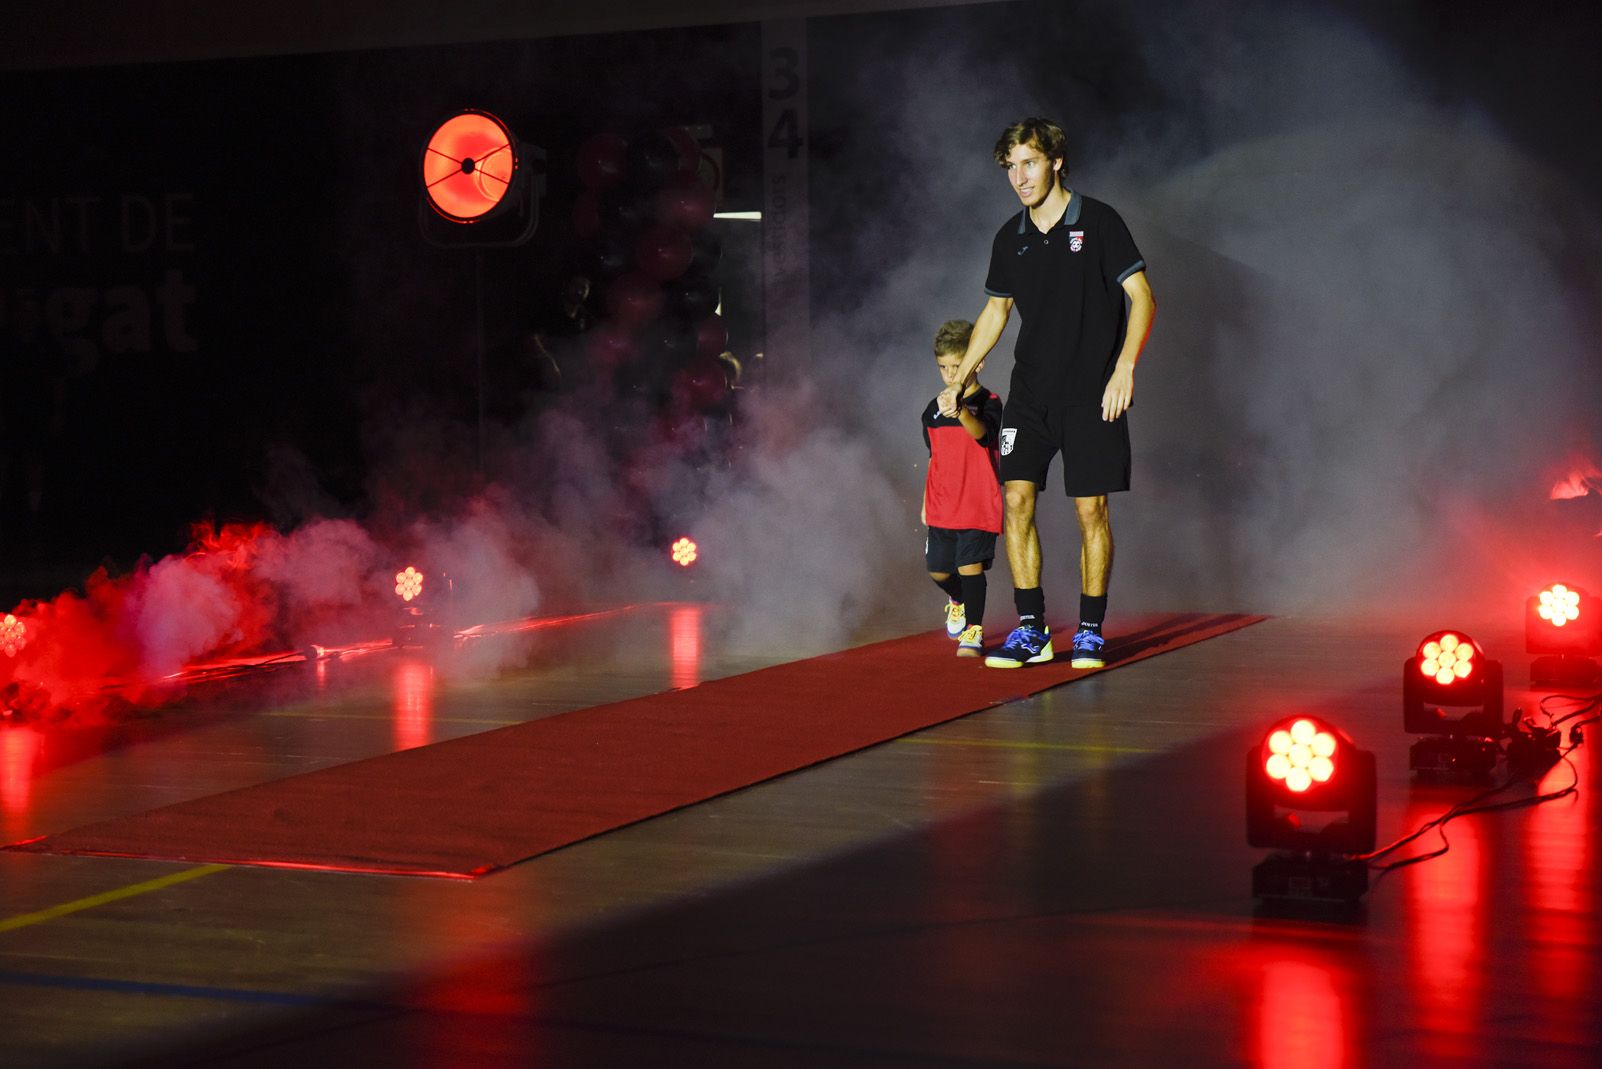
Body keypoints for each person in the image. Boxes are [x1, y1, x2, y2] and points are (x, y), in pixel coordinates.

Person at [937, 117, 1155, 670]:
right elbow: (995, 310)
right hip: (1030, 395)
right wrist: (961, 380)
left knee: (1090, 511)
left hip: (1091, 394)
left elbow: (1143, 297)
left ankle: (1088, 629)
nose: (1019, 177)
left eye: (1028, 162)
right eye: (1010, 167)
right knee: (1015, 500)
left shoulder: (1100, 222)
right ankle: (1032, 629)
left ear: (1056, 161)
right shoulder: (1009, 238)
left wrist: (1125, 366)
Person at [922, 319, 1004, 657]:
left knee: (970, 567)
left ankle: (974, 630)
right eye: (944, 367)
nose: (951, 374)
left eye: (958, 366)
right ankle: (957, 600)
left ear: (977, 361)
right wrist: (926, 503)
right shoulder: (932, 411)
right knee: (939, 571)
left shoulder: (991, 402)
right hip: (942, 504)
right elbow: (934, 458)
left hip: (977, 504)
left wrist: (959, 412)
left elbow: (983, 434)